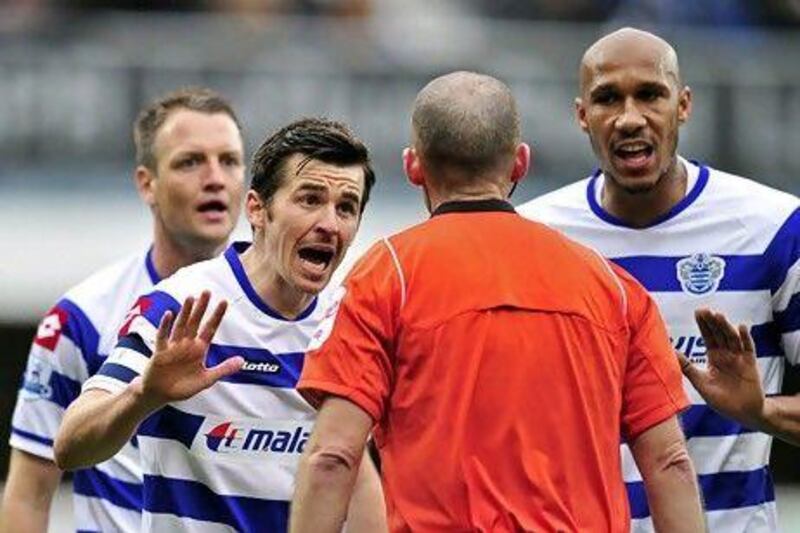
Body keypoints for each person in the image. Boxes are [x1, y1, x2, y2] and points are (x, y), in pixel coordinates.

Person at [290, 71, 704, 533]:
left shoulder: (386, 276)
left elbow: (332, 455)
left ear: (413, 167)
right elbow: (670, 463)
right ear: (520, 164)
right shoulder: (612, 287)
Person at [517, 27, 800, 531]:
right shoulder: (534, 237)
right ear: (582, 115)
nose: (629, 118)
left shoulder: (775, 227)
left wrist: (760, 412)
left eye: (650, 94)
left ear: (683, 105)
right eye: (607, 98)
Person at [53, 117, 387, 532]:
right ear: (257, 209)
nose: (329, 224)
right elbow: (70, 446)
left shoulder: (350, 323)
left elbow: (355, 478)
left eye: (346, 207)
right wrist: (145, 394)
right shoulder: (180, 305)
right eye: (309, 199)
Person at [0, 87, 246, 533]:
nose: (215, 178)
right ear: (146, 183)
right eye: (190, 162)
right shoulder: (81, 319)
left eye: (228, 160)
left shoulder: (284, 316)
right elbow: (28, 493)